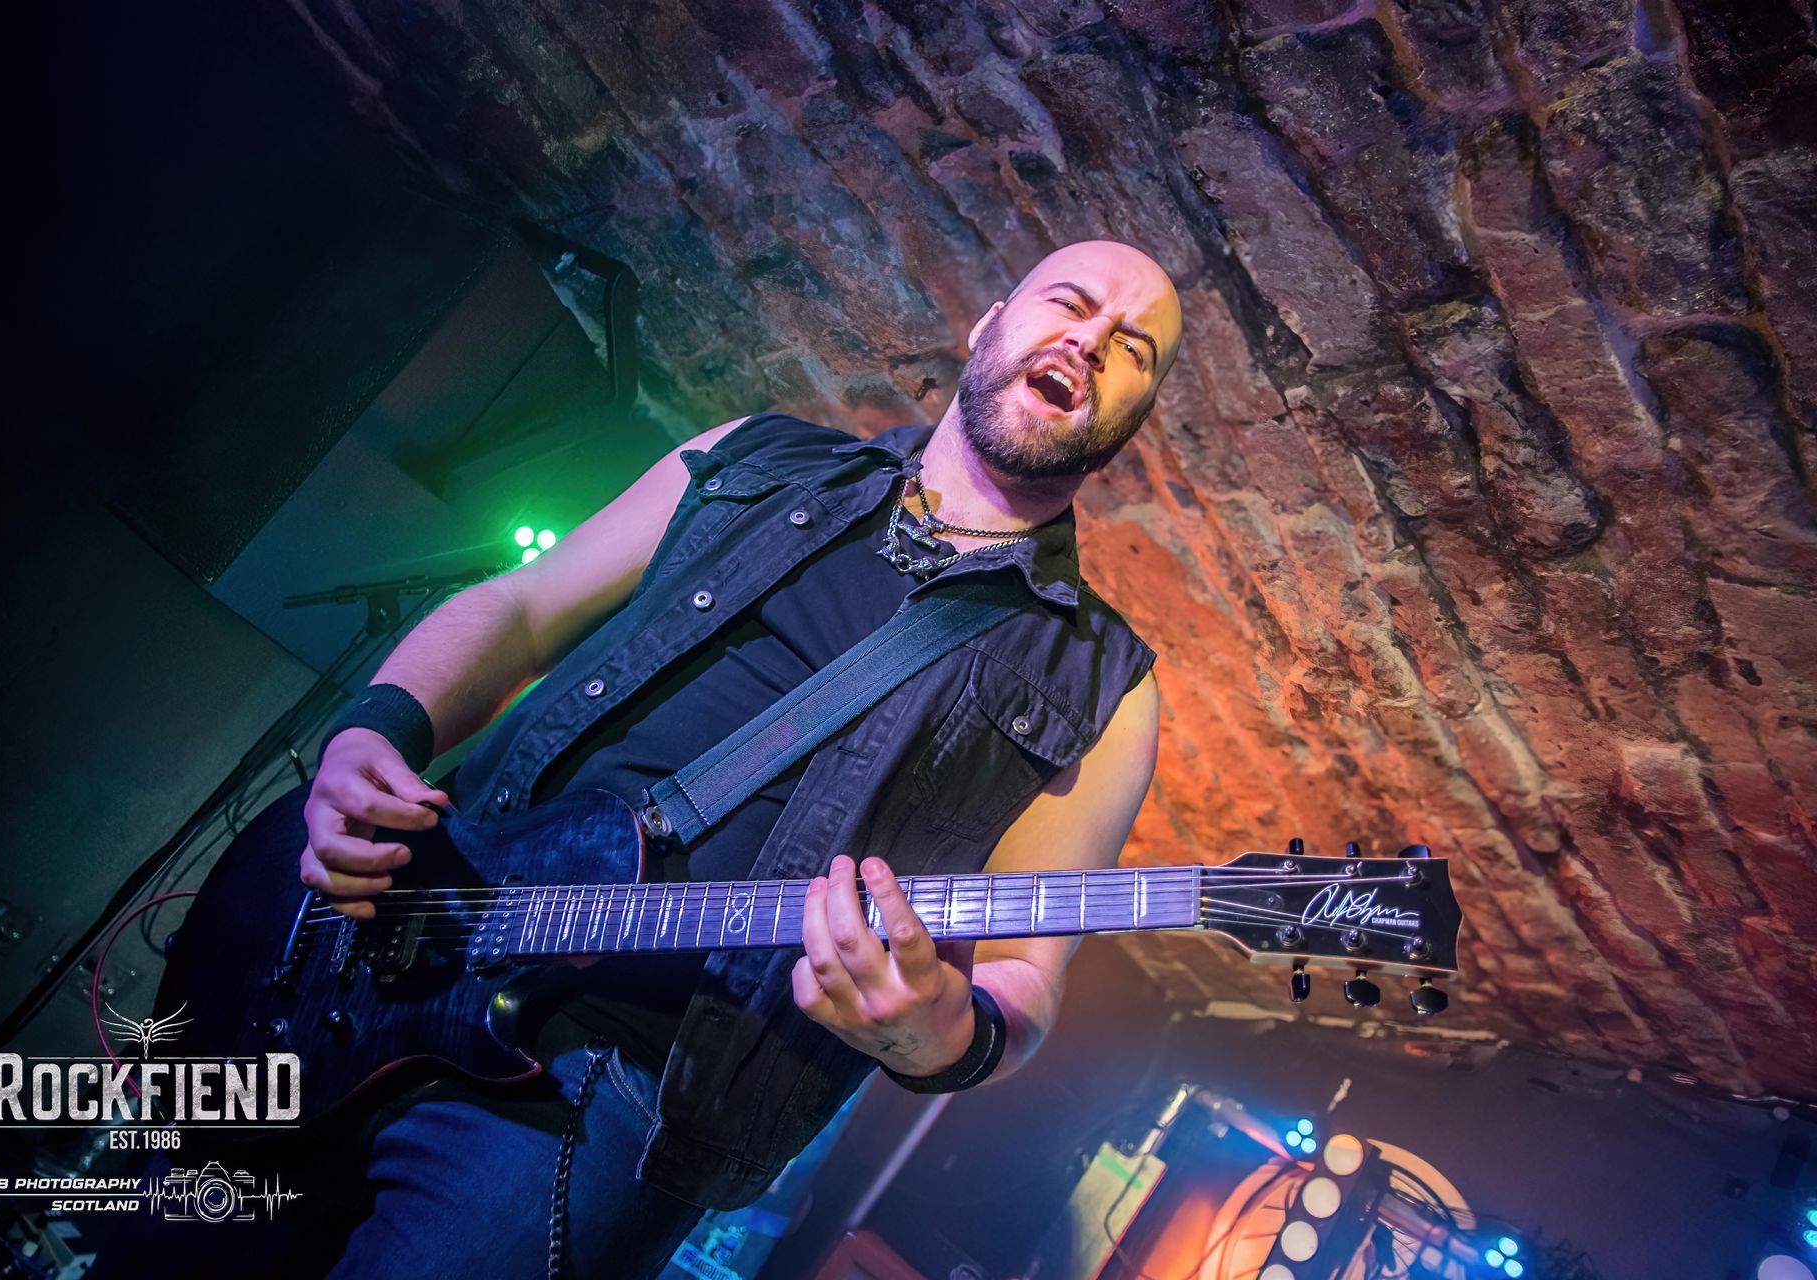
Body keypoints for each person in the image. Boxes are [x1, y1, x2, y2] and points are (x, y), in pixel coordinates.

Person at [112, 238, 1183, 1280]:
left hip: (620, 1100)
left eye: (1132, 348)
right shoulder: (755, 456)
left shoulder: (1104, 682)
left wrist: (936, 1030)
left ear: (1131, 421)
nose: (1090, 341)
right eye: (1069, 301)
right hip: (397, 932)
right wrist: (372, 734)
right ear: (991, 323)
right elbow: (521, 607)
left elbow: (1023, 978)